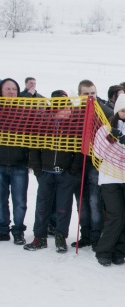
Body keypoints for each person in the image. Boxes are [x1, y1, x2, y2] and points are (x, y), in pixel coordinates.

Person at [25, 90, 82, 253]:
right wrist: (38, 170)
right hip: (46, 173)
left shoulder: (73, 126)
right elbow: (34, 149)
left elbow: (79, 151)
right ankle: (39, 237)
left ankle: (60, 237)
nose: (68, 111)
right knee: (42, 206)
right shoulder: (43, 125)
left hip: (65, 174)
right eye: (64, 108)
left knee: (64, 207)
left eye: (69, 108)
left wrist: (72, 171)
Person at [91, 93, 125, 266]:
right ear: (117, 111)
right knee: (116, 216)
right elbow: (99, 153)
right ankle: (104, 251)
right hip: (110, 178)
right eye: (123, 110)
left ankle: (119, 251)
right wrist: (117, 145)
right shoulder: (105, 130)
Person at [71, 79, 112, 249]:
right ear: (80, 95)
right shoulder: (74, 113)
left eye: (92, 93)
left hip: (97, 163)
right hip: (78, 163)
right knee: (82, 201)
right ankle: (85, 233)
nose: (90, 97)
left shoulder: (105, 112)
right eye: (86, 94)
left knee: (95, 201)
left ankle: (97, 235)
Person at [0, 78, 29, 245]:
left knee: (20, 202)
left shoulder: (24, 111)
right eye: (7, 89)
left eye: (14, 89)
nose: (11, 92)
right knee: (1, 200)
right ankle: (3, 229)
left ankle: (18, 230)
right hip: (0, 164)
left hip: (19, 164)